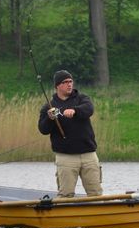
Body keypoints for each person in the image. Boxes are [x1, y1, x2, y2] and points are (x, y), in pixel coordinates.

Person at [38, 70, 103, 198]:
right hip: (65, 157)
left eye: (70, 81)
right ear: (57, 86)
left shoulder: (82, 99)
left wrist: (75, 110)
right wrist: (50, 118)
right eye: (65, 82)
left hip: (88, 155)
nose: (69, 84)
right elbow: (43, 129)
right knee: (65, 195)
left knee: (95, 193)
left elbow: (89, 109)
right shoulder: (49, 107)